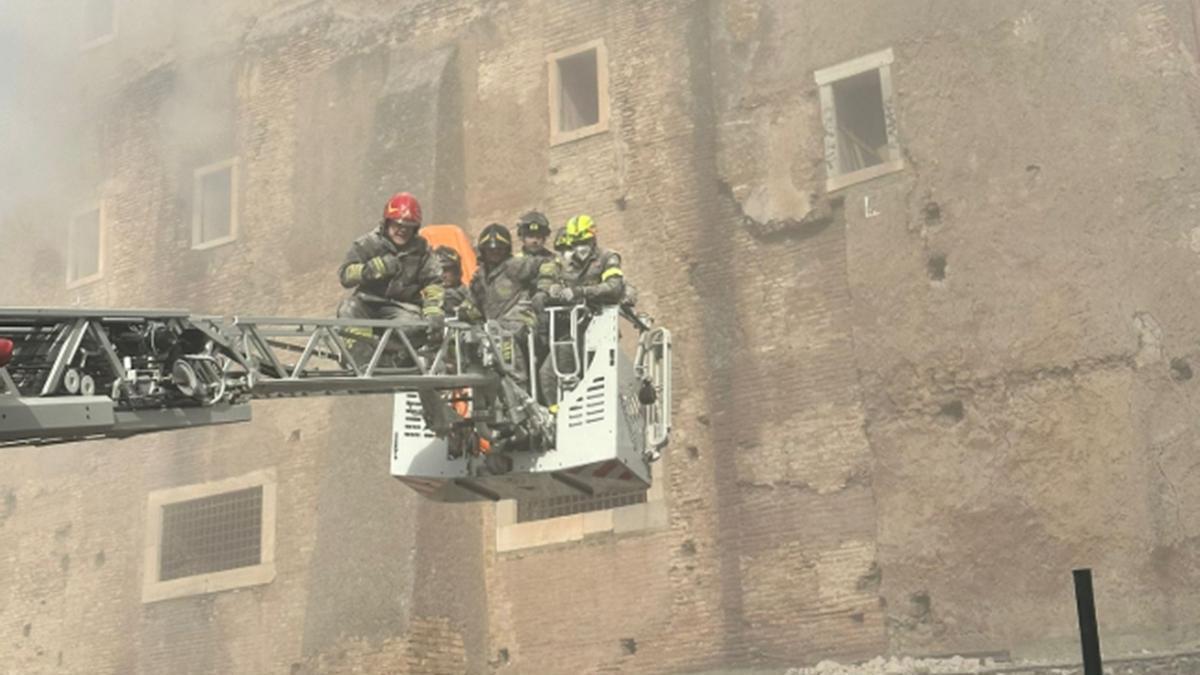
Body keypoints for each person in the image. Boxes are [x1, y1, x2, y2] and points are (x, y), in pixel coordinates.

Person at [336, 192, 444, 353]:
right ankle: (362, 358)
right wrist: (369, 270)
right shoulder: (368, 244)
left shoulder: (421, 250)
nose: (402, 231)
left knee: (414, 326)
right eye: (397, 225)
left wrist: (433, 309)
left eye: (408, 227)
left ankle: (393, 357)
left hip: (403, 308)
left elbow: (433, 281)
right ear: (387, 223)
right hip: (367, 303)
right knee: (348, 309)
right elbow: (345, 275)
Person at [539, 214, 625, 408]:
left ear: (593, 238)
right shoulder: (567, 266)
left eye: (584, 242)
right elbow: (551, 284)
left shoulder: (608, 257)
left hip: (600, 329)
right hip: (573, 330)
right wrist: (552, 290)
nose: (581, 247)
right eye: (576, 243)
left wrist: (580, 292)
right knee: (547, 374)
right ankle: (556, 417)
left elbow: (614, 287)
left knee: (594, 377)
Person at [469, 223, 541, 386]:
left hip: (521, 320)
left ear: (506, 249)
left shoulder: (516, 265)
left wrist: (544, 289)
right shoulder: (479, 276)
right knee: (466, 337)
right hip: (493, 326)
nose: (495, 253)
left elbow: (548, 264)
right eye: (490, 249)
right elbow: (473, 304)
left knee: (501, 335)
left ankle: (518, 387)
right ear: (483, 250)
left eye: (499, 249)